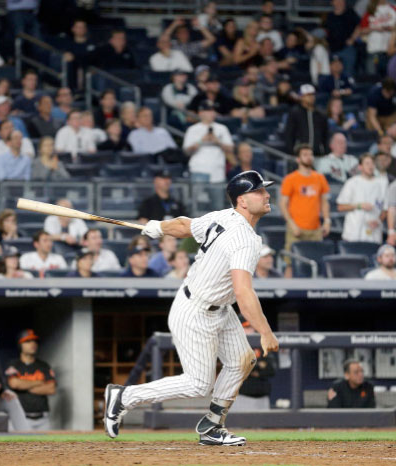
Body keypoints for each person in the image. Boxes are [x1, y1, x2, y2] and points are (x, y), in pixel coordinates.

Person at [104, 170, 280, 446]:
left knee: (242, 360)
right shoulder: (244, 238)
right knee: (199, 384)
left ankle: (212, 426)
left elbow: (186, 225)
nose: (267, 194)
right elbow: (244, 291)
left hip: (219, 307)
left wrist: (159, 226)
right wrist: (265, 332)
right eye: (259, 191)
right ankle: (124, 396)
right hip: (195, 311)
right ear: (243, 201)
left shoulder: (224, 216)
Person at [280, 145, 331, 276]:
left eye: (310, 154)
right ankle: (285, 294)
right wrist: (291, 224)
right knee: (291, 263)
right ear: (298, 159)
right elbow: (283, 204)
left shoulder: (320, 178)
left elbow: (324, 202)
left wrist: (327, 221)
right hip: (296, 229)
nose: (309, 157)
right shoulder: (290, 179)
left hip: (315, 229)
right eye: (305, 155)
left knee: (317, 263)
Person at [5, 330, 57, 431]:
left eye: (34, 341)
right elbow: (14, 384)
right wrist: (40, 382)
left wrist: (24, 387)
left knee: (47, 446)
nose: (32, 344)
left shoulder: (43, 365)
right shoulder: (13, 364)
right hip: (19, 418)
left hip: (43, 420)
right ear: (20, 345)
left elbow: (51, 389)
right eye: (28, 341)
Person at [337, 154, 387, 243]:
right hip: (353, 232)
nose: (370, 166)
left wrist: (378, 221)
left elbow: (386, 209)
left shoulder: (382, 183)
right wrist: (359, 206)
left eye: (372, 163)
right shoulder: (352, 182)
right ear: (360, 167)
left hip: (374, 233)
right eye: (367, 164)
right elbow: (341, 207)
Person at [183, 100, 235, 183]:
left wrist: (218, 142)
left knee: (218, 196)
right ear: (200, 113)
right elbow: (187, 151)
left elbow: (231, 149)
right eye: (209, 110)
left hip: (218, 172)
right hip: (198, 170)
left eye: (213, 110)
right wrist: (201, 140)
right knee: (197, 196)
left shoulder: (222, 128)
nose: (212, 113)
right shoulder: (192, 129)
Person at [233, 316, 276, 412]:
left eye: (252, 327)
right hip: (241, 397)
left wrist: (255, 371)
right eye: (247, 327)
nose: (251, 330)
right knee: (239, 426)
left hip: (262, 397)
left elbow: (271, 369)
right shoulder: (233, 345)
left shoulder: (263, 344)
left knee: (263, 425)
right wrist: (260, 365)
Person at [284, 84, 330, 156]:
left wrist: (325, 151)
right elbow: (289, 134)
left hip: (318, 154)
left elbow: (326, 135)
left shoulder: (321, 114)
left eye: (312, 94)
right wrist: (292, 152)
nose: (311, 97)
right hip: (299, 154)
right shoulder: (294, 113)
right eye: (307, 95)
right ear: (301, 97)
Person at [324, 0, 361, 76]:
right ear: (332, 2)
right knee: (333, 73)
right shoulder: (329, 16)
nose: (339, 2)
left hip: (347, 48)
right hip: (333, 49)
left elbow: (359, 26)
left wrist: (352, 39)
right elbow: (326, 31)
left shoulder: (350, 13)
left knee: (348, 73)